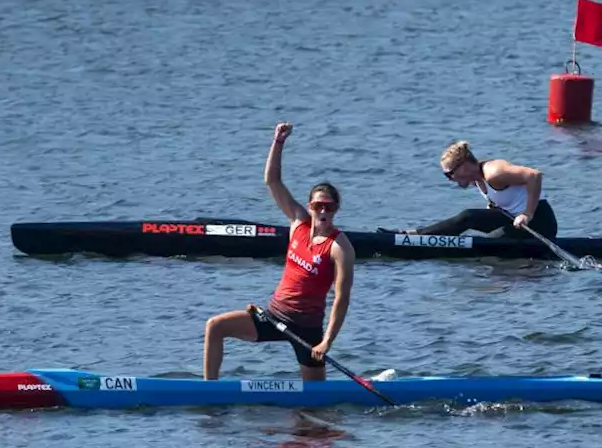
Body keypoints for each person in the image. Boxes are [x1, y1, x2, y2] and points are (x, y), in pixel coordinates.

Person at [203, 122, 355, 381]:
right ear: (310, 206)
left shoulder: (340, 248)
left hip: (307, 329)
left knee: (315, 401)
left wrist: (326, 342)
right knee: (215, 326)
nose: (322, 212)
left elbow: (341, 300)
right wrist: (278, 142)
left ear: (336, 210)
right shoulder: (297, 221)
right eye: (318, 206)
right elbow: (272, 181)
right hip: (272, 317)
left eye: (328, 208)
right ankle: (209, 390)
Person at [384, 140, 559, 239]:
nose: (450, 179)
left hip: (539, 223)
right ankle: (413, 235)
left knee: (479, 230)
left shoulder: (494, 173)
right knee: (468, 218)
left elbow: (534, 175)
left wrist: (527, 214)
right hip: (511, 220)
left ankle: (416, 238)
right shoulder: (477, 179)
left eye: (449, 174)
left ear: (465, 166)